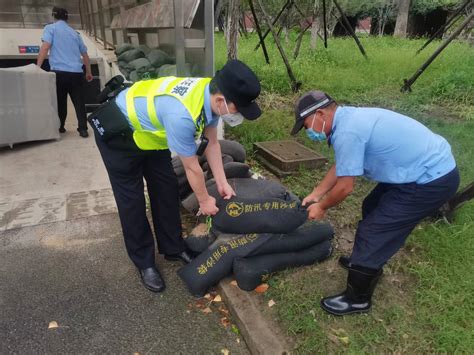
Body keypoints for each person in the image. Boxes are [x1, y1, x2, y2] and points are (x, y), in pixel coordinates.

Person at [90, 59, 261, 293]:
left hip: (151, 135)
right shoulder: (182, 115)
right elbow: (192, 168)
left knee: (166, 188)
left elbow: (212, 142)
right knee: (132, 201)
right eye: (238, 109)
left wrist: (221, 182)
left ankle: (172, 247)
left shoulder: (209, 96)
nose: (238, 115)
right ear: (221, 100)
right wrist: (204, 200)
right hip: (119, 135)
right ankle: (144, 262)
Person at [291, 91, 459, 316]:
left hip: (432, 179)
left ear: (320, 113)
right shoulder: (347, 118)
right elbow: (344, 164)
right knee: (372, 205)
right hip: (417, 169)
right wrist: (317, 192)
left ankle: (358, 298)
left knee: (375, 230)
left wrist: (321, 206)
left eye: (306, 124)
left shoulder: (348, 131)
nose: (308, 131)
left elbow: (345, 187)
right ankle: (366, 263)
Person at [37, 6, 92, 137]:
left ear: (54, 16)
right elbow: (85, 55)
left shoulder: (50, 29)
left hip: (59, 73)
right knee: (79, 102)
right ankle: (83, 129)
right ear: (67, 17)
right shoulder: (75, 33)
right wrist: (88, 72)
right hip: (76, 73)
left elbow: (45, 48)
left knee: (60, 101)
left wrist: (38, 67)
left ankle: (60, 127)